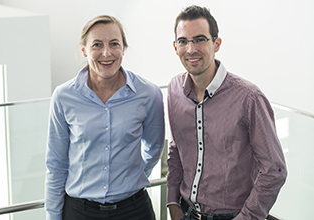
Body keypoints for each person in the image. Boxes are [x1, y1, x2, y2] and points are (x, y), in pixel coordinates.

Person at [166, 5, 287, 220]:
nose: (191, 49)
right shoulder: (174, 90)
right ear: (175, 46)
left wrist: (246, 217)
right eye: (183, 41)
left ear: (216, 43)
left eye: (200, 39)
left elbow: (274, 170)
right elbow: (176, 147)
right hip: (187, 213)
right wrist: (172, 202)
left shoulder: (249, 98)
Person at [45, 15, 165, 220]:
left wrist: (132, 177)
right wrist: (53, 216)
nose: (106, 53)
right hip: (79, 212)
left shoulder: (149, 94)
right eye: (97, 45)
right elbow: (56, 163)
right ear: (84, 50)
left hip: (134, 211)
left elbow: (154, 147)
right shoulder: (63, 96)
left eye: (114, 44)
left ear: (123, 49)